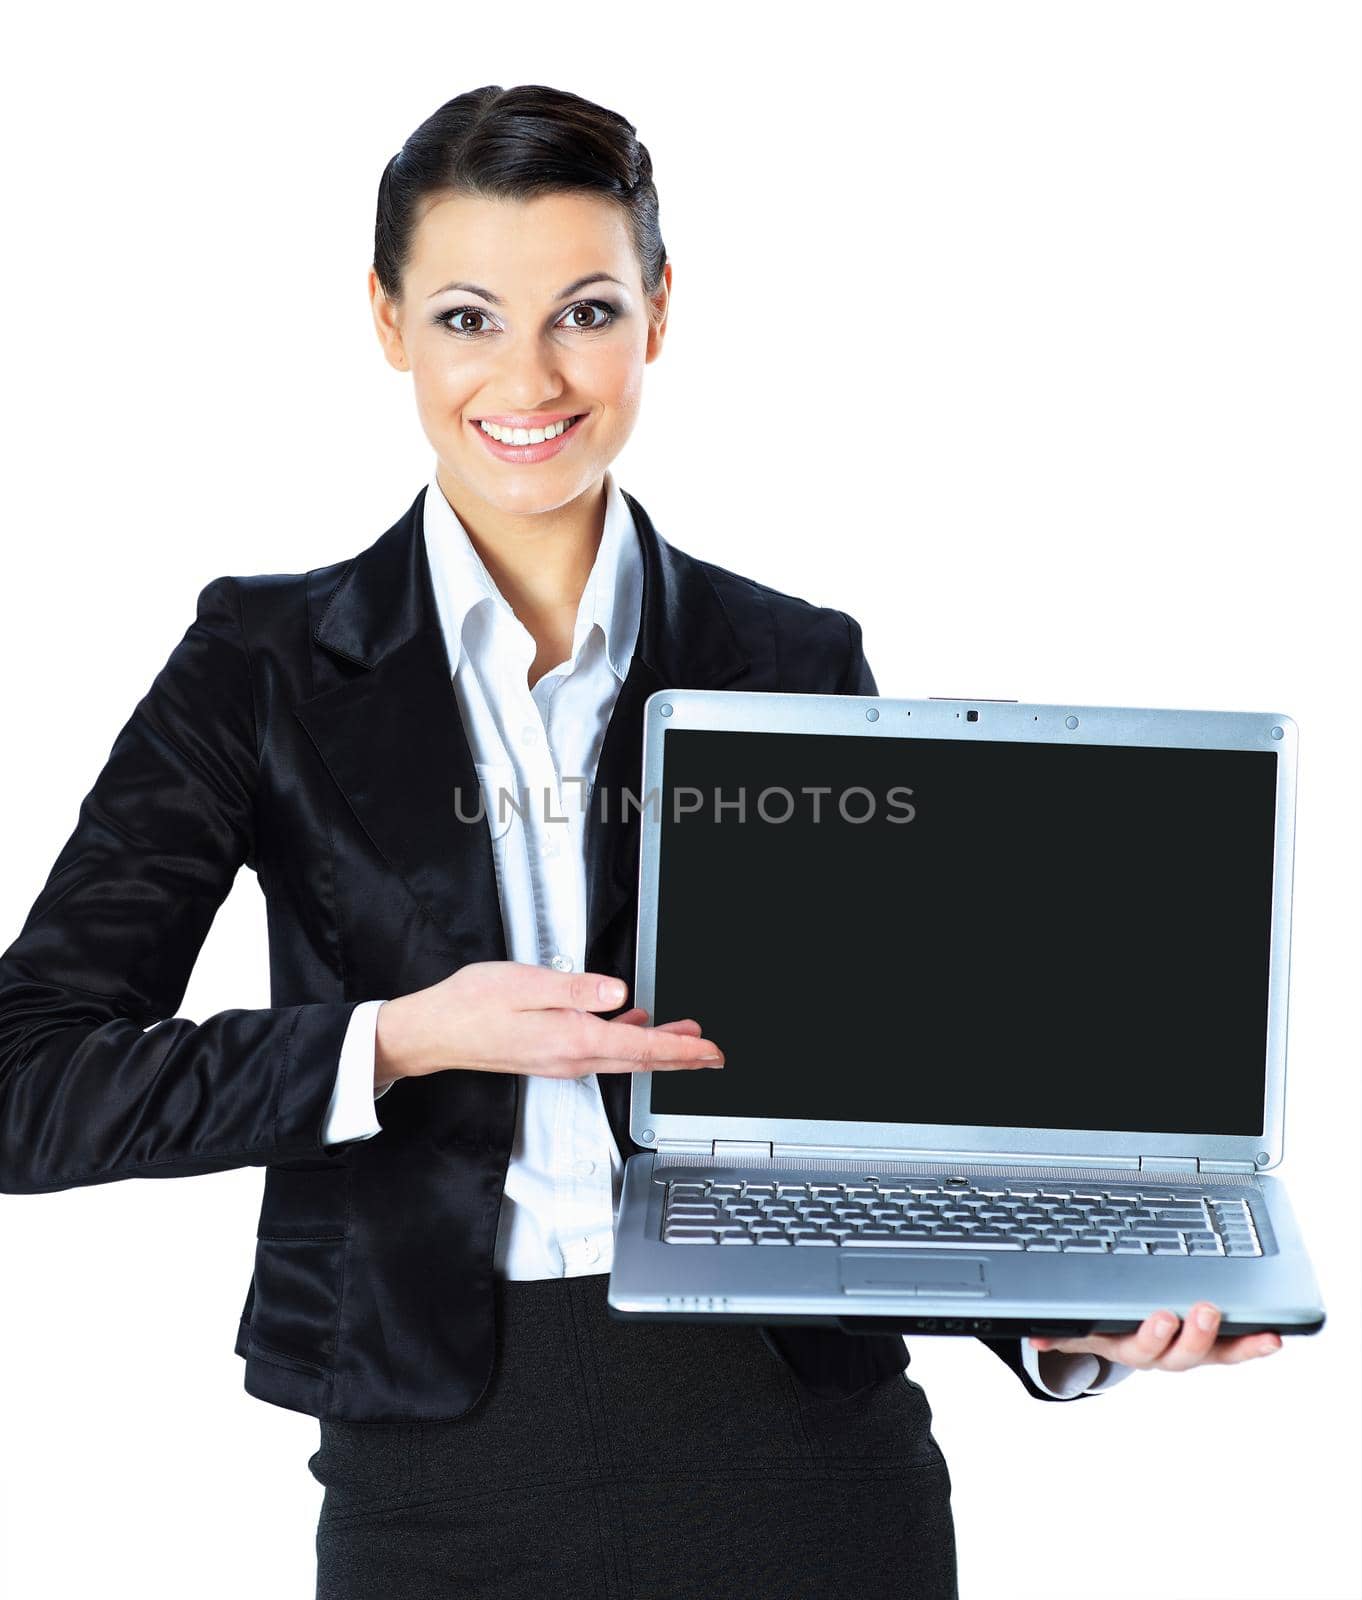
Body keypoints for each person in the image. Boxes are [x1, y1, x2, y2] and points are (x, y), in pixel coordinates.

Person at [0, 83, 1282, 1600]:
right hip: (436, 1473)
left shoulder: (787, 658)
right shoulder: (261, 663)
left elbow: (871, 1101)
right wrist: (398, 1041)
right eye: (469, 316)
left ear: (658, 314)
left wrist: (1059, 1323)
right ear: (387, 320)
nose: (529, 376)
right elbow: (30, 1084)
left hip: (799, 1452)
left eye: (586, 310)